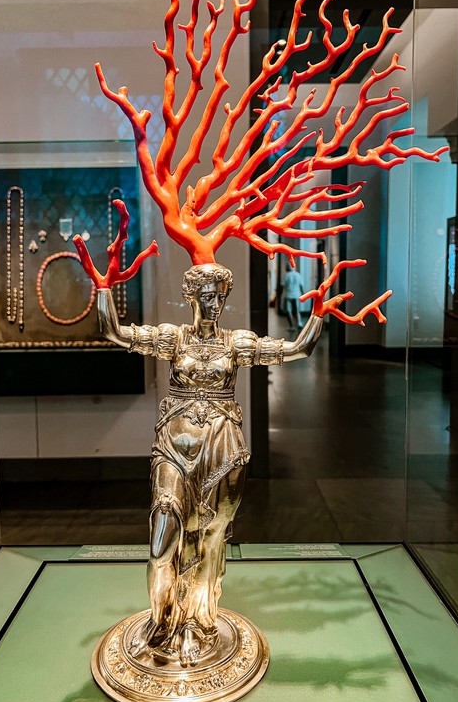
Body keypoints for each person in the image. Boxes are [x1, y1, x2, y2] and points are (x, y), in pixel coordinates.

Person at [97, 263, 323, 667]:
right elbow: (114, 332)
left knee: (209, 541)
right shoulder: (172, 339)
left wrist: (319, 313)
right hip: (173, 446)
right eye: (207, 294)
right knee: (162, 541)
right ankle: (161, 621)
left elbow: (297, 350)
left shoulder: (236, 344)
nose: (215, 303)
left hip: (223, 451)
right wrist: (102, 288)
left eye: (220, 295)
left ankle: (197, 625)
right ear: (191, 296)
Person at [282, 263, 304, 330]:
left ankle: (292, 326)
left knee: (288, 311)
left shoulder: (286, 276)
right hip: (297, 295)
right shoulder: (298, 275)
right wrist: (303, 294)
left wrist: (280, 295)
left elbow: (282, 286)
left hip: (288, 295)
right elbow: (301, 286)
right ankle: (299, 323)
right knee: (297, 310)